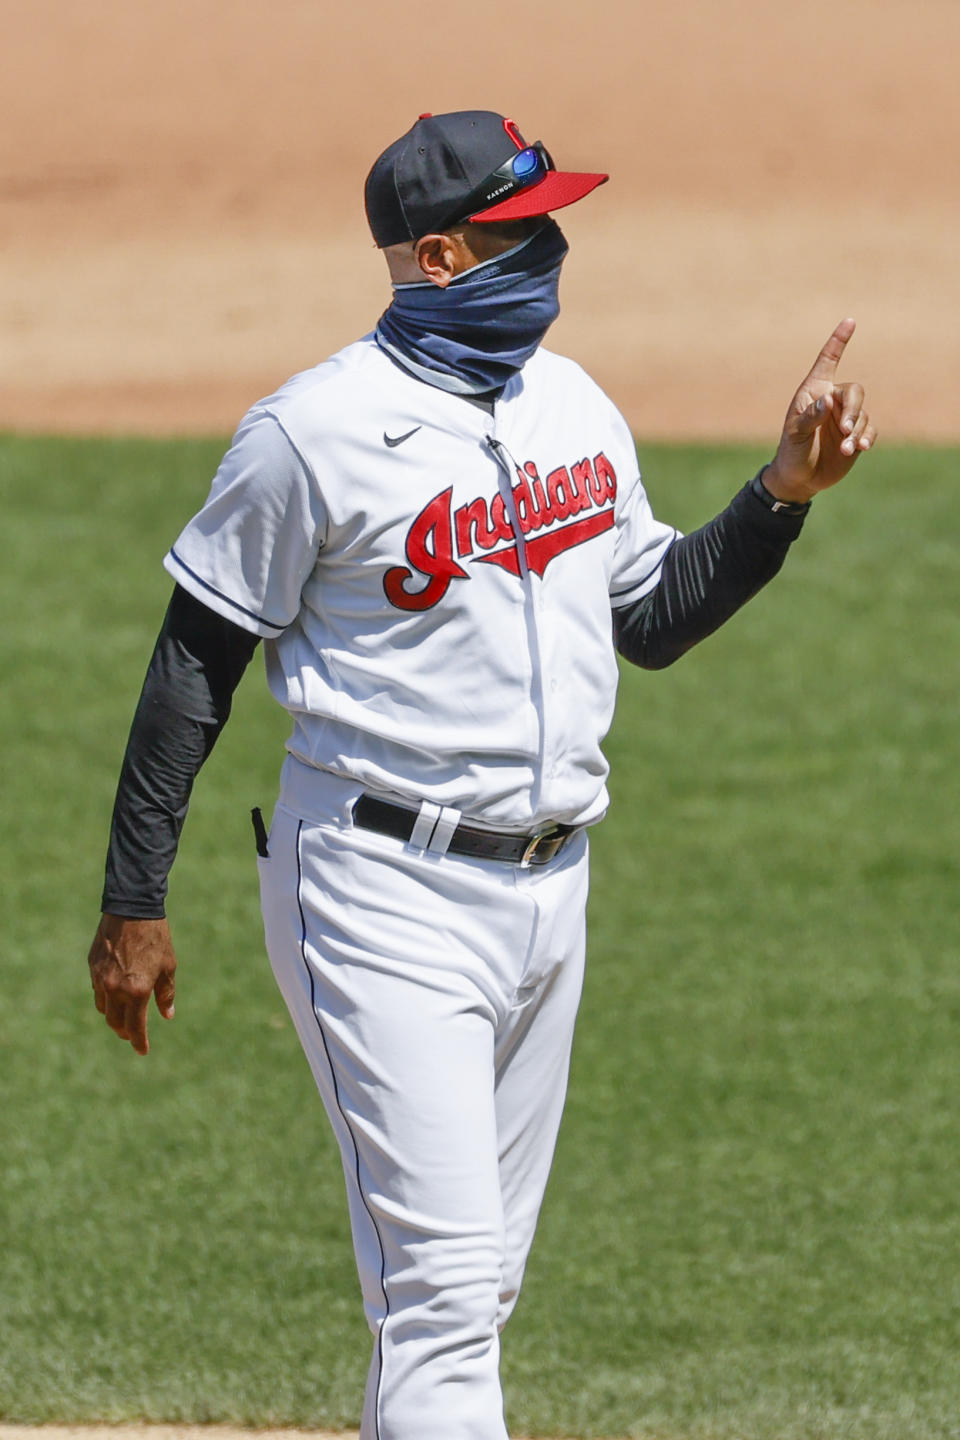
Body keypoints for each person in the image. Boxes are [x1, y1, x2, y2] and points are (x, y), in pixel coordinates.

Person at [87, 110, 875, 1440]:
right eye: (529, 228)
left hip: (551, 892)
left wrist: (780, 496)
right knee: (446, 1300)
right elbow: (191, 669)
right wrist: (134, 900)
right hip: (380, 894)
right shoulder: (313, 434)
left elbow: (654, 616)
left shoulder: (573, 404)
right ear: (445, 254)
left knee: (473, 1290)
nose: (557, 247)